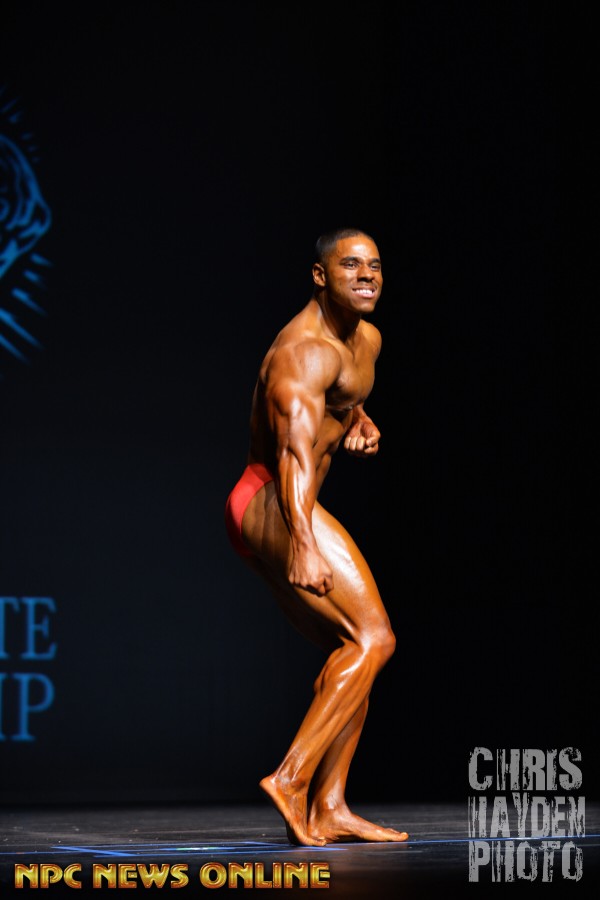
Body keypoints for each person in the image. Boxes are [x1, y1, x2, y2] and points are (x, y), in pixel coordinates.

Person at [225, 227, 408, 847]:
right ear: (320, 276)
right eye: (350, 265)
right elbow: (292, 453)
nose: (366, 275)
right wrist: (302, 539)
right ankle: (291, 777)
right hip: (273, 500)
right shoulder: (303, 351)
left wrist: (358, 419)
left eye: (374, 265)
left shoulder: (366, 339)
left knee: (353, 653)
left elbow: (337, 401)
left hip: (282, 506)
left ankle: (330, 807)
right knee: (375, 637)